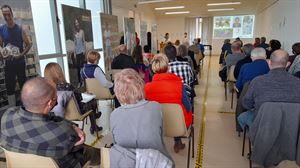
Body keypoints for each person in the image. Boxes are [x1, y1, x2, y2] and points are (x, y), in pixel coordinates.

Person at [0, 77, 100, 168]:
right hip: (65, 163)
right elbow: (76, 142)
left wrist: (72, 126)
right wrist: (72, 127)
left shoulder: (7, 115)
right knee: (94, 153)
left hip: (22, 164)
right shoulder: (62, 132)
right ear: (50, 103)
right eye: (55, 99)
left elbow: (50, 117)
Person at [110, 68, 173, 163]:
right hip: (156, 162)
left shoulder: (114, 115)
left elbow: (116, 143)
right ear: (140, 85)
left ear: (118, 92)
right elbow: (160, 135)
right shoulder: (155, 107)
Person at [238, 50, 300, 129]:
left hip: (263, 123)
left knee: (242, 117)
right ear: (288, 64)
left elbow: (247, 104)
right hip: (292, 125)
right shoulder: (298, 82)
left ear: (269, 63)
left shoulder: (257, 81)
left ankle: (256, 137)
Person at [144, 54, 192, 153]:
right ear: (168, 67)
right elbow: (188, 107)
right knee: (178, 113)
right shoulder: (178, 84)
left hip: (157, 125)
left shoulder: (147, 87)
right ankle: (178, 142)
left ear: (153, 69)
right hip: (179, 126)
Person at [44, 62, 102, 134]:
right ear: (59, 73)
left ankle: (94, 120)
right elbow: (79, 99)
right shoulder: (68, 87)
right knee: (92, 101)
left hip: (57, 117)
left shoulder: (46, 90)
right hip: (77, 112)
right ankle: (94, 124)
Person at [0, 5, 32, 106]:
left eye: (8, 14)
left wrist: (21, 55)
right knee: (10, 87)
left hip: (20, 62)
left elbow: (28, 44)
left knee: (23, 85)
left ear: (12, 14)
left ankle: (25, 107)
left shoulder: (19, 29)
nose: (7, 17)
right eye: (4, 14)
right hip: (8, 63)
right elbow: (0, 46)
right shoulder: (1, 29)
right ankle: (11, 110)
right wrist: (2, 55)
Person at [73, 18, 86, 86]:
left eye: (77, 22)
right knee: (78, 68)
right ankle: (79, 82)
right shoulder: (74, 32)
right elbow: (74, 43)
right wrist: (74, 53)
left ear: (79, 23)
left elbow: (84, 41)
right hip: (77, 52)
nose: (77, 24)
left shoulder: (82, 31)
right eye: (75, 23)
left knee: (82, 67)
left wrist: (84, 50)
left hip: (82, 51)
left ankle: (83, 81)